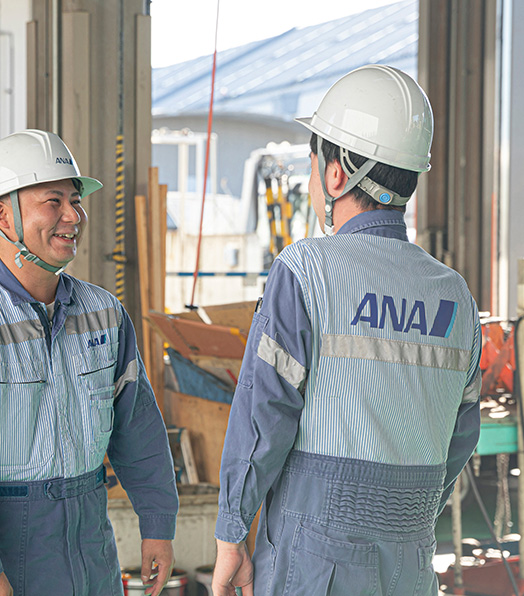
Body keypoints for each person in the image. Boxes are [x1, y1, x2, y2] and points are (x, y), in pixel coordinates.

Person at [212, 65, 482, 595]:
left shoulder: (306, 271)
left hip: (313, 559)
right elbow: (461, 436)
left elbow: (264, 416)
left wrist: (230, 535)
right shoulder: (456, 297)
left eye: (313, 167)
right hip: (412, 559)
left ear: (336, 174)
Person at [0, 130, 179, 596]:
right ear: (3, 215)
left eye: (75, 200)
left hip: (90, 546)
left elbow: (137, 429)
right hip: (4, 551)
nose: (74, 215)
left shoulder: (105, 314)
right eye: (53, 201)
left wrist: (158, 521)